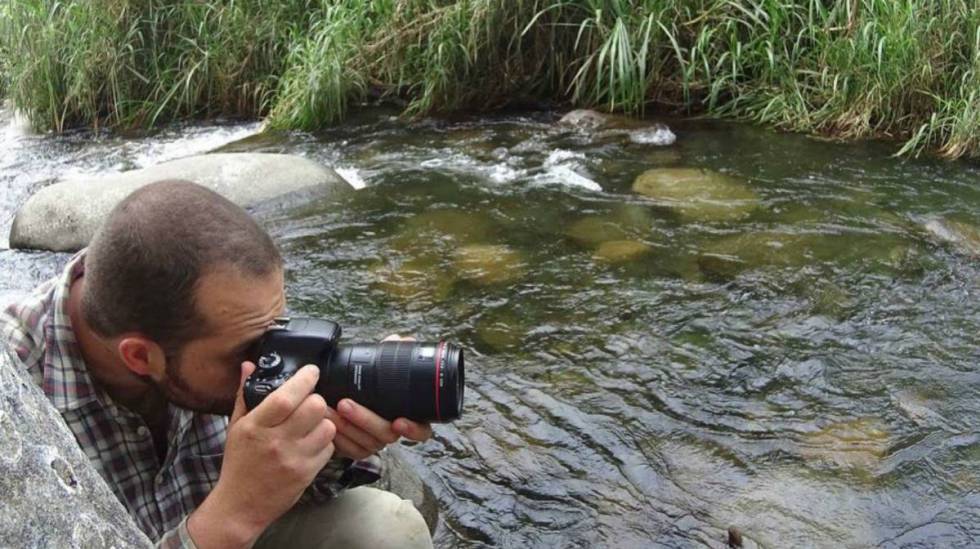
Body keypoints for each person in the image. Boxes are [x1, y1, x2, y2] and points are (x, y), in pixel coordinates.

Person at [0, 180, 434, 548]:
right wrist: (233, 515)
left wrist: (331, 444)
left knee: (381, 529)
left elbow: (300, 496)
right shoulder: (16, 402)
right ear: (140, 356)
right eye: (248, 351)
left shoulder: (226, 318)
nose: (267, 362)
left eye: (277, 332)